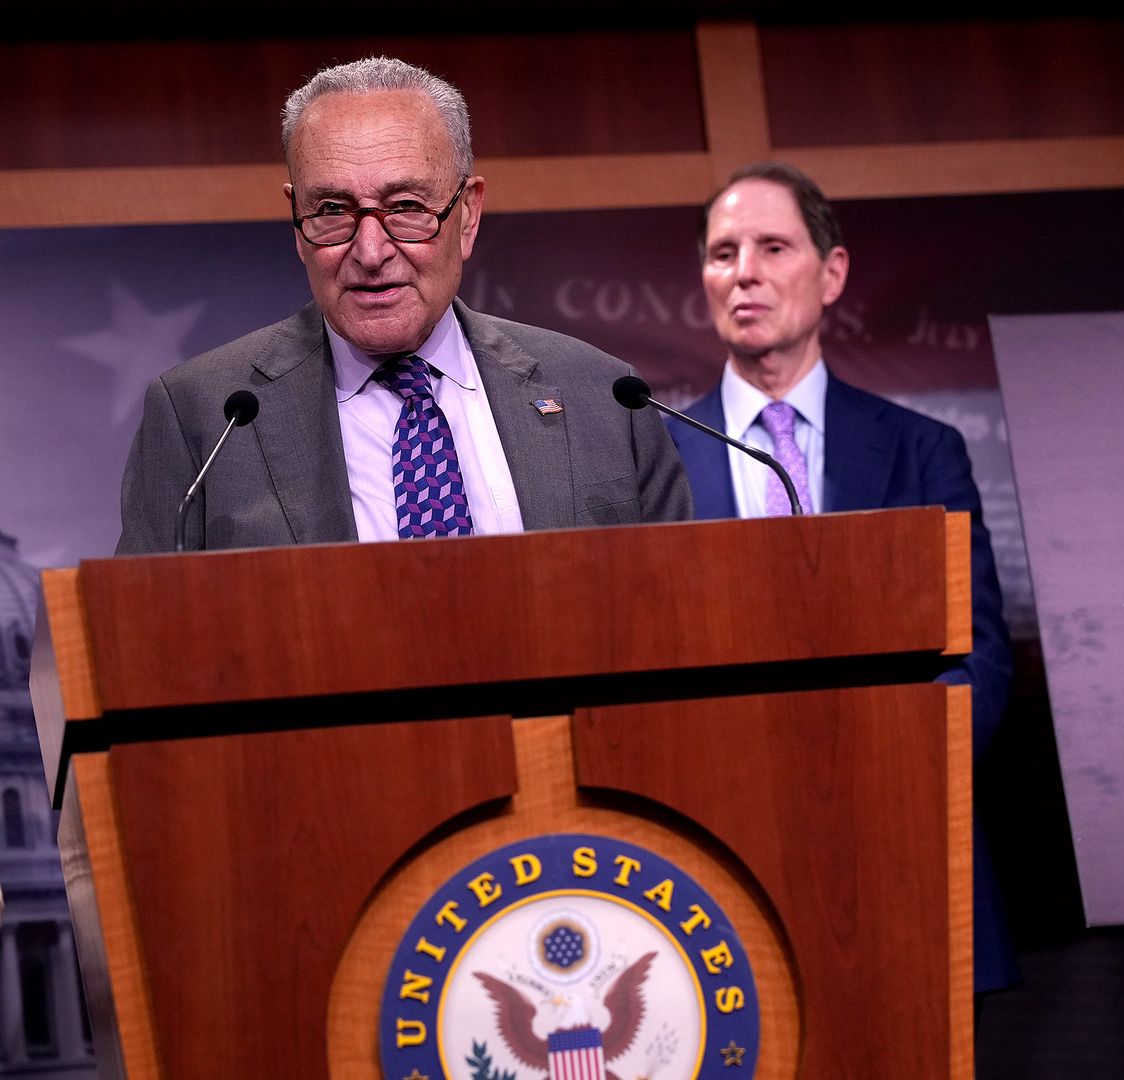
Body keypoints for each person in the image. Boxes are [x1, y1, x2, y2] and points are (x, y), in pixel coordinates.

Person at [674, 161, 1019, 992]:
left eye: (772, 247)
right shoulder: (657, 456)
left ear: (832, 274)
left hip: (903, 841)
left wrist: (872, 776)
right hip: (718, 861)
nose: (744, 271)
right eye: (724, 253)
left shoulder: (920, 450)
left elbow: (980, 662)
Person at [116, 57, 689, 554]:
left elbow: (676, 615)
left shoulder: (606, 398)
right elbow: (148, 642)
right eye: (333, 210)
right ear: (296, 222)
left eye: (407, 206)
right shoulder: (203, 415)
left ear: (467, 214)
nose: (370, 251)